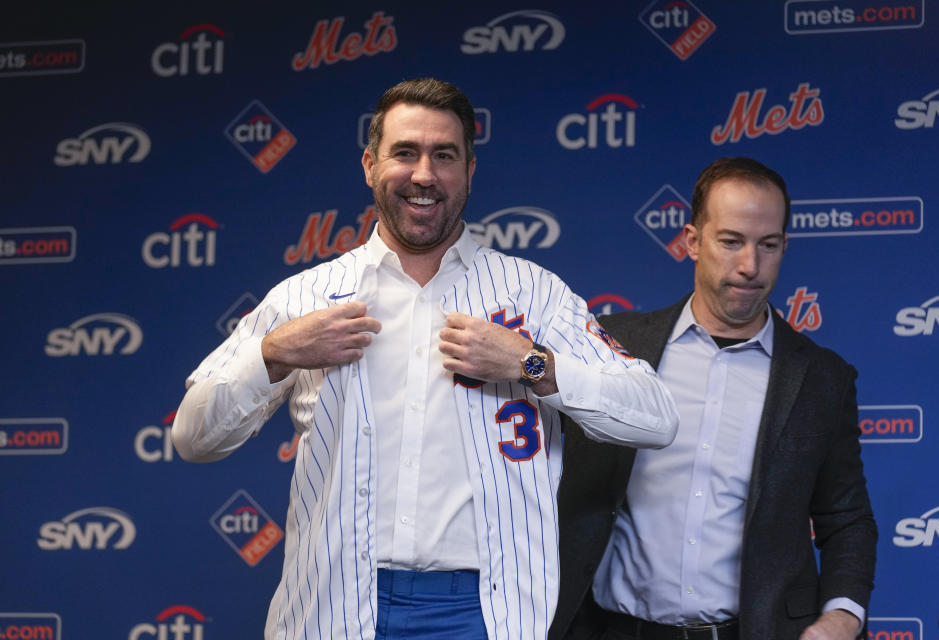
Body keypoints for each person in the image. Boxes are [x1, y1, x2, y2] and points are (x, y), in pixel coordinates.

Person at [171, 78, 679, 640]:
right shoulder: (305, 298)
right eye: (405, 153)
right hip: (335, 606)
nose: (424, 175)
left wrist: (531, 363)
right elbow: (193, 437)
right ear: (369, 164)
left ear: (469, 170)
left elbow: (656, 416)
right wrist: (273, 353)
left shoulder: (533, 294)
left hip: (484, 611)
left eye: (444, 156)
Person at [550, 157, 877, 640]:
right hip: (604, 628)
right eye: (731, 242)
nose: (750, 266)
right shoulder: (613, 346)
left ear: (784, 247)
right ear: (691, 242)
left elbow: (846, 518)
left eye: (768, 246)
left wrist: (841, 618)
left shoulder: (822, 379)